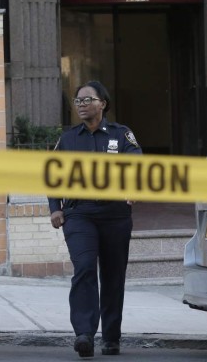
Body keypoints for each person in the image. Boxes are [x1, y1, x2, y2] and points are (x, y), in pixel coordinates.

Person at [48, 81, 142, 358]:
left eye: (87, 100)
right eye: (78, 101)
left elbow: (137, 163)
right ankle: (84, 334)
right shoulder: (68, 139)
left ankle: (111, 337)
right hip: (79, 214)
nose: (81, 105)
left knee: (113, 277)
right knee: (85, 267)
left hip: (115, 215)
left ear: (103, 103)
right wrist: (55, 207)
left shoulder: (121, 135)